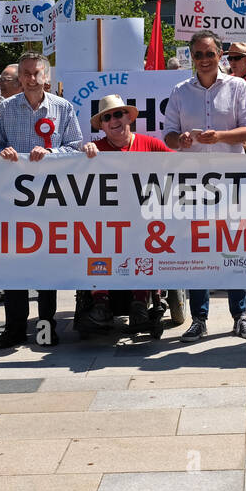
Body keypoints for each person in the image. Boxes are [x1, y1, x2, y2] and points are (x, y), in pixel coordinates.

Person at [163, 28, 246, 341]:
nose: (204, 59)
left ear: (221, 55)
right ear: (191, 58)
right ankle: (199, 318)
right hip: (191, 181)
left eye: (209, 53)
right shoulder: (179, 91)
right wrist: (182, 139)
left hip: (230, 179)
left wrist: (219, 137)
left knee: (233, 247)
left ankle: (240, 315)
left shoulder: (237, 87)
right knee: (197, 249)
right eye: (198, 54)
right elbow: (168, 135)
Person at [0, 51, 85, 349]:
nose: (31, 79)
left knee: (47, 265)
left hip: (50, 198)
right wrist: (1, 153)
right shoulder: (5, 109)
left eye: (36, 74)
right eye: (26, 74)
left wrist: (51, 154)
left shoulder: (63, 108)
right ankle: (14, 327)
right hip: (14, 198)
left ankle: (46, 325)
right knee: (11, 264)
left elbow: (75, 148)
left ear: (46, 77)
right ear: (19, 77)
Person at [81, 93, 172, 332]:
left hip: (143, 218)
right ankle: (100, 302)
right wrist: (83, 157)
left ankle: (140, 302)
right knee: (95, 241)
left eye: (118, 114)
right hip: (108, 219)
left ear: (128, 117)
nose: (114, 120)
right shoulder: (95, 150)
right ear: (101, 125)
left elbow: (178, 166)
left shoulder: (150, 144)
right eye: (107, 117)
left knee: (147, 242)